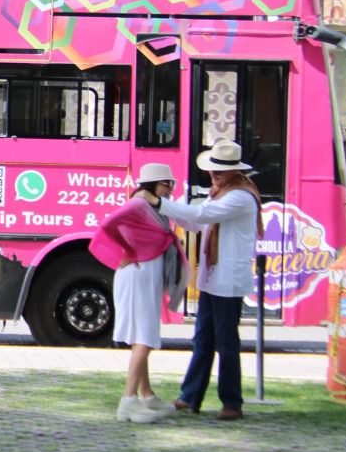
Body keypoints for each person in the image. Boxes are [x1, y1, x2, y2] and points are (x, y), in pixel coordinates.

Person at [158, 139, 263, 421]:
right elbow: (198, 222)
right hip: (214, 278)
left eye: (220, 169)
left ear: (235, 171)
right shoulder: (222, 192)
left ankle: (231, 402)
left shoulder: (239, 196)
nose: (214, 174)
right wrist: (175, 210)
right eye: (213, 168)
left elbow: (203, 215)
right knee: (203, 339)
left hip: (227, 280)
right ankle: (191, 396)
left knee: (226, 343)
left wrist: (163, 204)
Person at [90, 162, 182, 424]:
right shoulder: (140, 204)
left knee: (142, 336)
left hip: (144, 275)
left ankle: (146, 394)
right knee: (145, 338)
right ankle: (128, 401)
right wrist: (127, 251)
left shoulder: (150, 205)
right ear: (153, 184)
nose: (170, 189)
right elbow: (108, 225)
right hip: (139, 275)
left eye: (171, 184)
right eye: (166, 184)